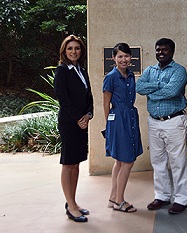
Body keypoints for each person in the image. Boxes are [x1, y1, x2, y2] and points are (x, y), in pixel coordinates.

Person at [136, 38, 187, 214]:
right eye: (158, 49)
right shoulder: (150, 70)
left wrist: (153, 93)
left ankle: (180, 199)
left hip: (174, 121)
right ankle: (162, 196)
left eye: (164, 50)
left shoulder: (179, 71)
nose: (160, 52)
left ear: (172, 51)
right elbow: (139, 87)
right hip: (154, 121)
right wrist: (159, 85)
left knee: (178, 162)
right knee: (157, 161)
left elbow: (172, 91)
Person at [54, 35, 94, 222]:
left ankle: (73, 202)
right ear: (64, 51)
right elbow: (63, 99)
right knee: (68, 163)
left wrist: (88, 115)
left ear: (81, 51)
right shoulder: (62, 71)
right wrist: (78, 118)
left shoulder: (81, 70)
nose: (73, 51)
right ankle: (70, 206)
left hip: (82, 122)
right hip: (69, 123)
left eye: (77, 48)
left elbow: (89, 96)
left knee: (77, 164)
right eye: (70, 48)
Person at [103, 43, 143, 213]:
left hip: (130, 116)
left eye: (126, 56)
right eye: (120, 56)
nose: (123, 59)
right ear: (114, 58)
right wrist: (109, 126)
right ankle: (120, 200)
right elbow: (106, 104)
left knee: (120, 160)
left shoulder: (131, 75)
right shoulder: (111, 77)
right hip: (118, 119)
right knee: (127, 160)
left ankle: (113, 197)